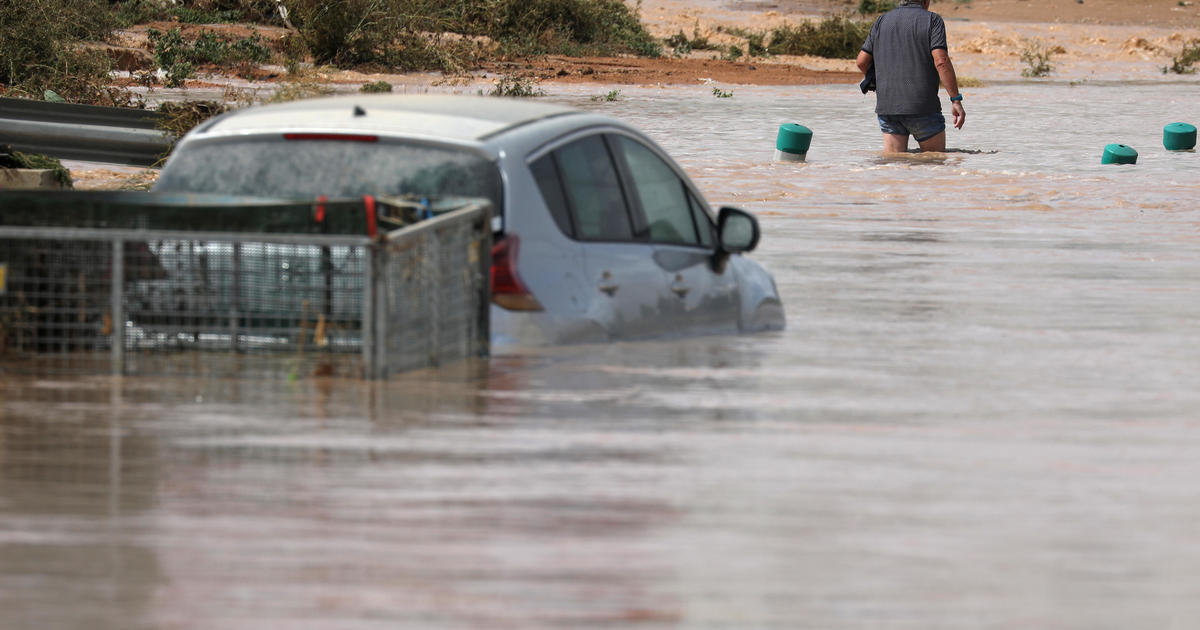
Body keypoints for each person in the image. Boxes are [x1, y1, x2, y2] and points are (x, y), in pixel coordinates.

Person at [856, 0, 965, 153]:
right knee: (935, 164)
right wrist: (956, 99)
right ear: (926, 1)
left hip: (888, 107)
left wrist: (877, 82)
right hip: (922, 106)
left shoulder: (882, 20)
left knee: (895, 166)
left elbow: (861, 61)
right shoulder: (932, 20)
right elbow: (941, 61)